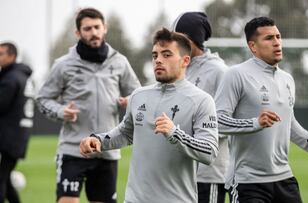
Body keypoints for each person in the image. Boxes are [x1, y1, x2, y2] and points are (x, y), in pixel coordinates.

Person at [79, 28, 219, 203]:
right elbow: (125, 133)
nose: (158, 60)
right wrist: (99, 140)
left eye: (166, 55)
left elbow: (210, 152)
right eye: (155, 55)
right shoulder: (139, 95)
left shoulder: (202, 101)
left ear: (185, 61)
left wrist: (175, 134)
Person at [214, 16, 308, 203]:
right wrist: (255, 122)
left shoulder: (287, 79)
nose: (277, 42)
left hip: (283, 178)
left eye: (278, 36)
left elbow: (289, 123)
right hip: (248, 182)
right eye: (269, 38)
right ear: (253, 46)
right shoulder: (235, 75)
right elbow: (217, 121)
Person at [36, 8, 140, 203]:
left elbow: (138, 94)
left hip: (106, 150)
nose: (93, 32)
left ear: (104, 28)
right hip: (72, 149)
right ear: (78, 33)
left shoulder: (119, 62)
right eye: (87, 28)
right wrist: (61, 111)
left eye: (97, 27)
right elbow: (43, 99)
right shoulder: (63, 64)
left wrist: (130, 101)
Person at [172, 12, 229, 203]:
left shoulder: (219, 71)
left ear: (191, 39)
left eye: (177, 38)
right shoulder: (180, 67)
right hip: (179, 173)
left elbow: (227, 120)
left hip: (208, 174)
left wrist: (193, 134)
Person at [0, 42, 34, 203]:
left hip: (9, 136)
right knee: (4, 178)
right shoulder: (21, 76)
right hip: (19, 134)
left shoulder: (11, 78)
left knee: (1, 179)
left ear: (12, 56)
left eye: (1, 54)